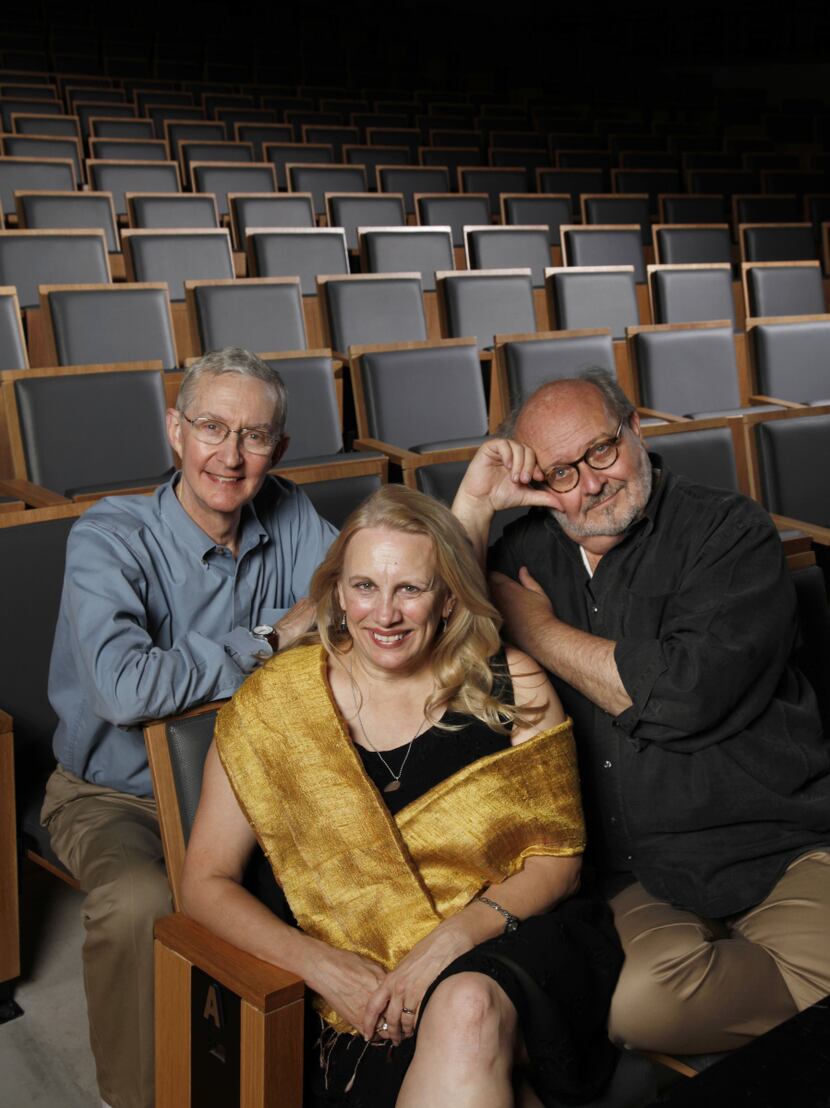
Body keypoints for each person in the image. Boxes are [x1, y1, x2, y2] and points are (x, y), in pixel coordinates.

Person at [182, 484, 622, 1107]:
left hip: (501, 940)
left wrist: (449, 941)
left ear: (447, 598)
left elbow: (560, 859)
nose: (383, 614)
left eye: (409, 589)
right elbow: (204, 881)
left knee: (466, 1006)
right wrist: (319, 965)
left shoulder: (512, 687)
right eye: (365, 586)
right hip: (341, 972)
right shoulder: (275, 703)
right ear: (336, 591)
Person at [451, 368, 830, 1057]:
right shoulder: (525, 552)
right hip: (640, 873)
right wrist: (476, 503)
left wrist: (533, 628)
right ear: (535, 482)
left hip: (782, 845)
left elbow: (683, 696)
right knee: (640, 1011)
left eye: (601, 450)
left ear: (637, 429)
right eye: (560, 472)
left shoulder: (728, 530)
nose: (590, 483)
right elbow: (438, 635)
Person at [40, 348, 338, 1108]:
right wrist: (269, 643)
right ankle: (134, 1097)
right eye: (212, 427)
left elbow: (354, 602)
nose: (231, 456)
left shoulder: (290, 512)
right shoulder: (108, 538)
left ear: (281, 448)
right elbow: (123, 686)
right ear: (175, 431)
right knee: (140, 901)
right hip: (115, 797)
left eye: (255, 436)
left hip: (252, 788)